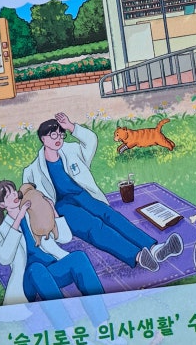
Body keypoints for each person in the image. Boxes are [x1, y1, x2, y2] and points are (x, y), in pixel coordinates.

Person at [23, 112, 183, 272]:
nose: (58, 138)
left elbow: (91, 140)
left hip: (82, 195)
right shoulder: (32, 171)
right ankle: (139, 256)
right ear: (43, 139)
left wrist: (71, 127)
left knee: (110, 215)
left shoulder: (71, 151)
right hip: (62, 207)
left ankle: (155, 249)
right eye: (53, 135)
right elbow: (30, 199)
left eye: (60, 134)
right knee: (93, 226)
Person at [0, 179, 105, 305]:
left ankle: (100, 310)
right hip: (28, 279)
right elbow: (5, 259)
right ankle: (63, 317)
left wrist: (53, 211)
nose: (14, 195)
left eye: (14, 192)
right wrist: (18, 219)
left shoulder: (33, 212)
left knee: (79, 257)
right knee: (37, 269)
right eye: (8, 195)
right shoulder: (2, 231)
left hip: (52, 269)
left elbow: (65, 238)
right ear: (2, 205)